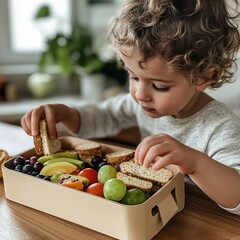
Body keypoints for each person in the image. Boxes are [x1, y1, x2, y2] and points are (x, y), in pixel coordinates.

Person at [21, 0, 240, 215]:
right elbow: (100, 117)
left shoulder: (221, 125)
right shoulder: (140, 103)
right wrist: (65, 113)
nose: (140, 94)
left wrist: (194, 164)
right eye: (133, 76)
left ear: (204, 76)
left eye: (159, 86)